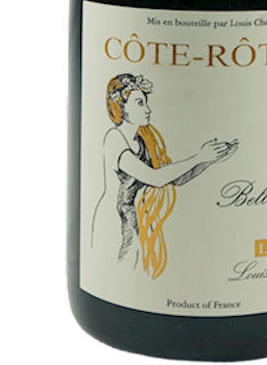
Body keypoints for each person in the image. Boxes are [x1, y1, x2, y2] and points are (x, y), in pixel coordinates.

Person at [90, 73, 238, 279]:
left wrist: (209, 160)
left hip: (133, 219)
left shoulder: (145, 140)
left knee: (133, 272)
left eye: (146, 102)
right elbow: (155, 178)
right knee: (119, 272)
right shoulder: (114, 138)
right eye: (139, 103)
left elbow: (174, 179)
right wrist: (198, 157)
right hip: (114, 221)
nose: (148, 109)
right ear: (121, 107)